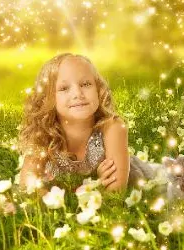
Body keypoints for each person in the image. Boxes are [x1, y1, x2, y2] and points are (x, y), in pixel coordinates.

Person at [18, 53, 129, 192]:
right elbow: (27, 184)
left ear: (98, 89)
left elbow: (116, 193)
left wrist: (97, 187)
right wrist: (95, 186)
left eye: (86, 84)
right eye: (64, 88)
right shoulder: (43, 133)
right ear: (47, 98)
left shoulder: (113, 127)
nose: (78, 94)